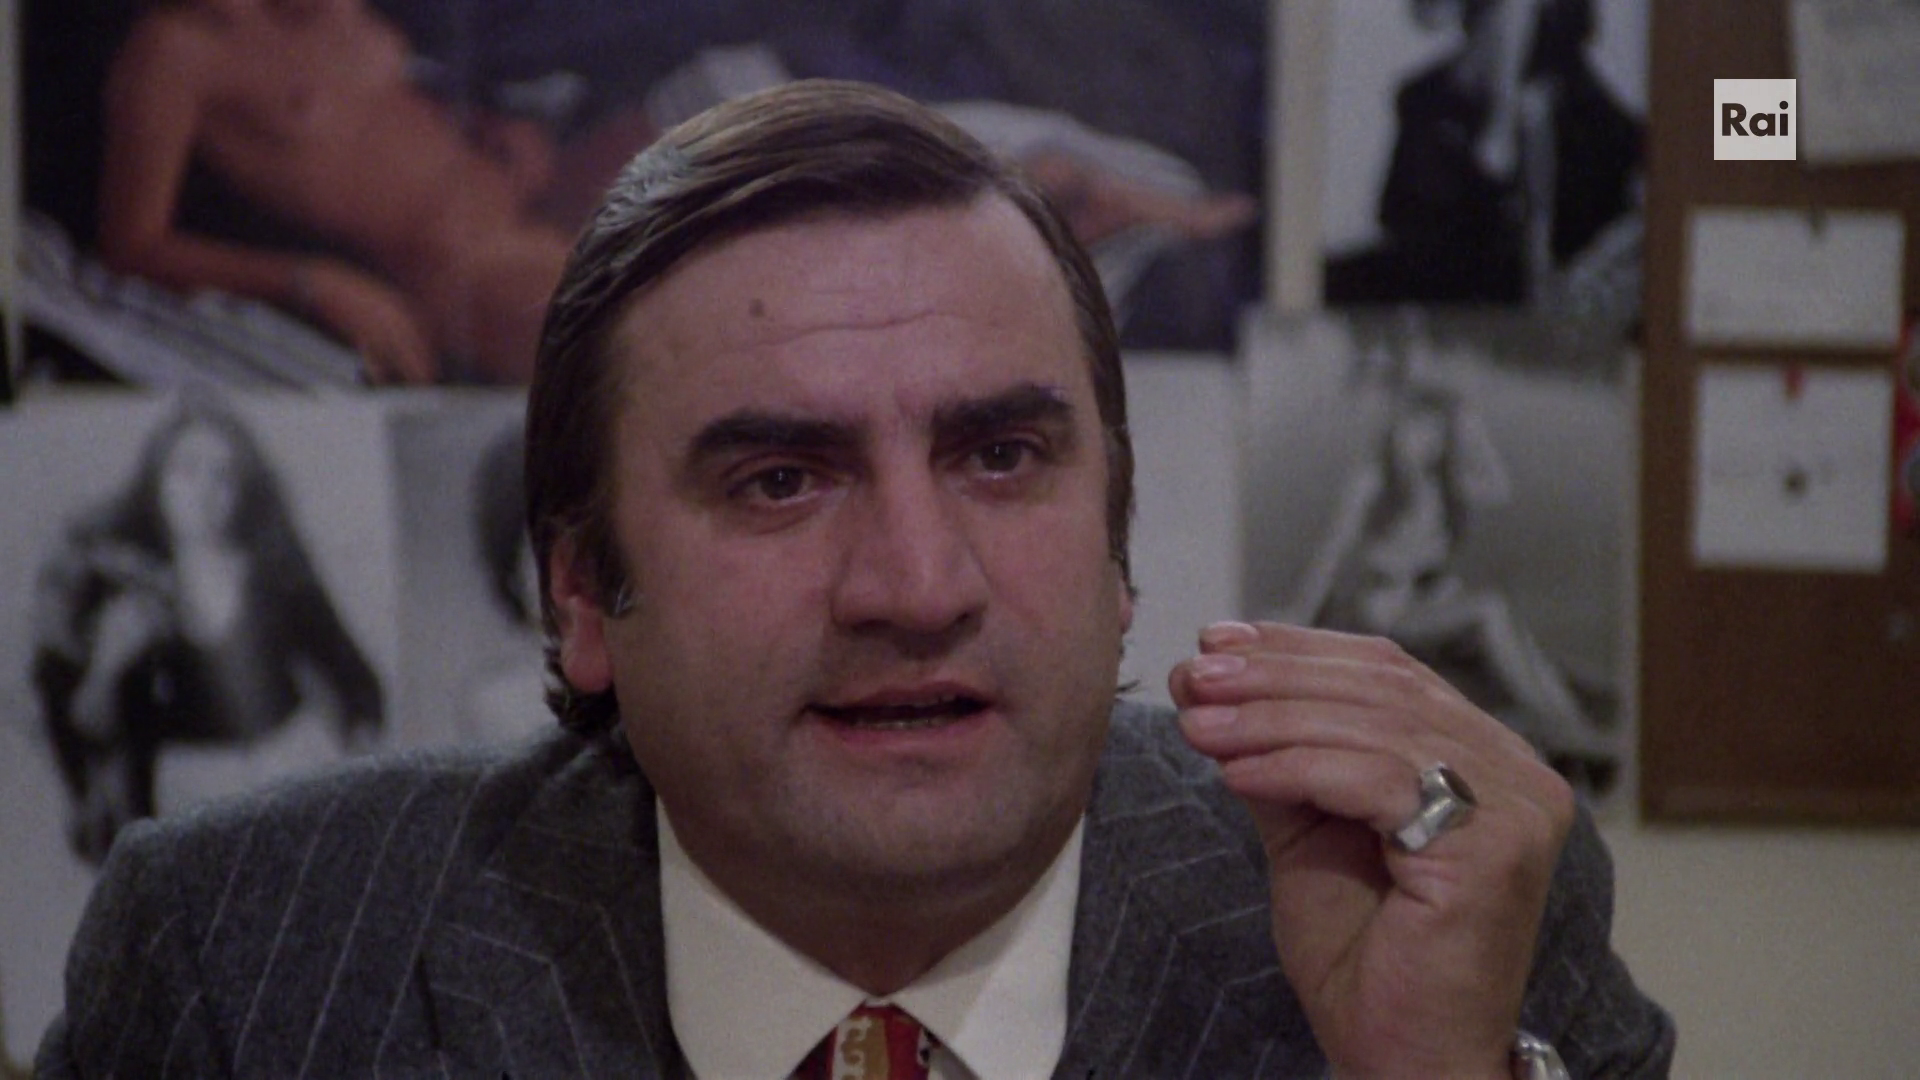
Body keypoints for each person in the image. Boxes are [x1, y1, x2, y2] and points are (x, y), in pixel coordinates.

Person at [38, 81, 1672, 1077]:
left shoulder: (1443, 906)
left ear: (1118, 548)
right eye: (780, 479)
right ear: (585, 595)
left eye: (1002, 456)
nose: (916, 582)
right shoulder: (245, 960)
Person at [96, 0, 577, 383]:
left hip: (531, 205)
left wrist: (492, 121)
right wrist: (315, 284)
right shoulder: (178, 51)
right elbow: (133, 246)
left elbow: (399, 93)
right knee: (601, 342)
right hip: (461, 269)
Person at [29, 395, 383, 866]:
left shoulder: (276, 578)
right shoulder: (119, 588)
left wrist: (357, 775)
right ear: (156, 480)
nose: (205, 491)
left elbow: (355, 678)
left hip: (291, 769)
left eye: (223, 475)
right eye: (187, 470)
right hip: (184, 788)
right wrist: (111, 663)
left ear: (243, 490)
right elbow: (83, 731)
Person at [1276, 373, 1620, 789]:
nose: (1424, 443)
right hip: (1385, 611)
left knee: (1525, 645)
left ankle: (1571, 729)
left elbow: (1497, 488)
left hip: (1428, 599)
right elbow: (1331, 553)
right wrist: (1300, 617)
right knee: (1490, 612)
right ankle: (1569, 731)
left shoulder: (1444, 486)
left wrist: (1469, 427)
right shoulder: (1374, 482)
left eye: (1436, 433)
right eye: (1417, 430)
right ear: (1398, 431)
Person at [1324, 0, 1642, 313]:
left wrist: (1500, 128)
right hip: (1449, 286)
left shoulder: (1596, 131)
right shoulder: (1429, 102)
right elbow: (1402, 227)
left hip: (1518, 297)